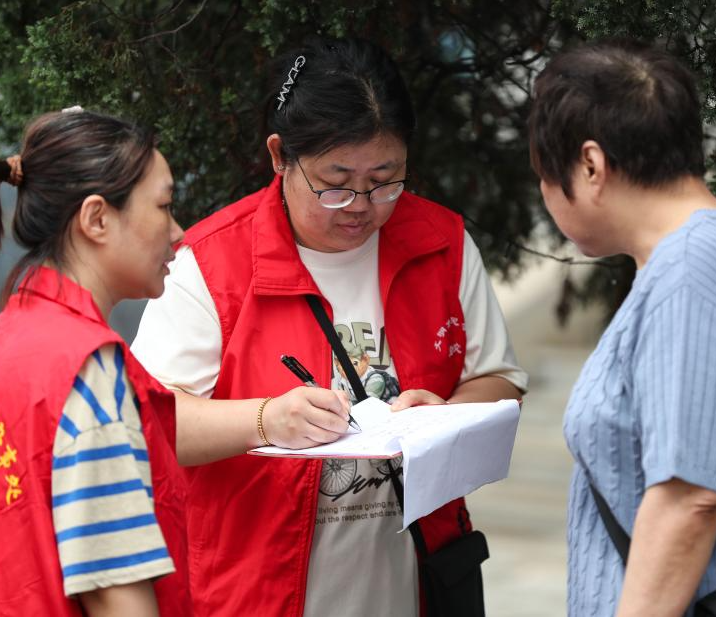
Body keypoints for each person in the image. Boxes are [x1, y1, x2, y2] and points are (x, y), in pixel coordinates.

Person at [131, 36, 528, 616]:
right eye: (336, 182)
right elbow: (147, 423)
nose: (362, 204)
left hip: (414, 582)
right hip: (256, 590)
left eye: (386, 179)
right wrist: (266, 419)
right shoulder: (211, 264)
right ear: (278, 156)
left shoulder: (440, 244)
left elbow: (498, 380)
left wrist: (443, 412)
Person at [527, 39, 716, 616]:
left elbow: (689, 499)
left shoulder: (689, 276)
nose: (542, 192)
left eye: (542, 172)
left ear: (591, 166)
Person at [0, 108, 193, 615]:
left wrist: (270, 420)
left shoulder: (0, 339)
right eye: (164, 206)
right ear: (97, 218)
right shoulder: (87, 367)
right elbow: (118, 594)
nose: (178, 231)